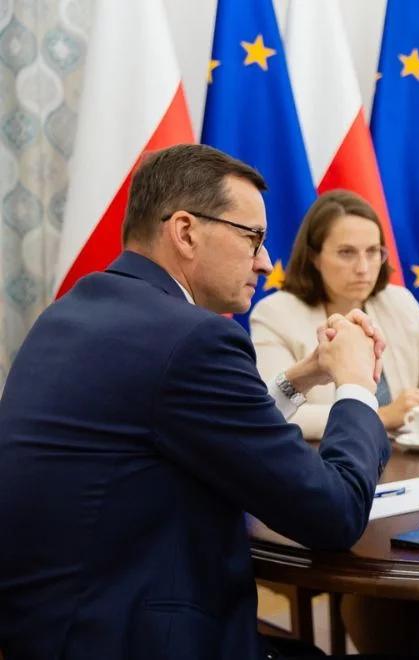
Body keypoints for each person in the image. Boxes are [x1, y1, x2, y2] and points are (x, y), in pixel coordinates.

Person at [0, 144, 397, 660]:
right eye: (252, 238)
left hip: (54, 630)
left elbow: (193, 432)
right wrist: (356, 384)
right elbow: (334, 516)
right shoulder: (192, 339)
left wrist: (304, 376)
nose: (265, 261)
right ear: (185, 231)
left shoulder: (73, 313)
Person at [251, 189, 419, 439]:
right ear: (314, 257)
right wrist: (381, 416)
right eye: (347, 253)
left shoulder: (398, 302)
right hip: (321, 464)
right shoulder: (275, 314)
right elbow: (275, 413)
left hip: (404, 461)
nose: (363, 268)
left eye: (372, 252)